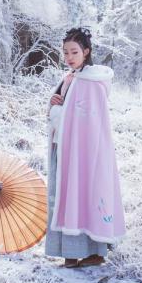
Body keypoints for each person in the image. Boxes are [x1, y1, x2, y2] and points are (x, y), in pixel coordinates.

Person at [45, 27, 126, 268]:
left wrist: (61, 111)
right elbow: (62, 112)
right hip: (66, 149)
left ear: (86, 52)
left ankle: (94, 251)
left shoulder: (91, 82)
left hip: (85, 153)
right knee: (67, 195)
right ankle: (69, 252)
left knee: (85, 194)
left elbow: (90, 121)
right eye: (65, 52)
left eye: (74, 52)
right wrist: (52, 104)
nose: (69, 57)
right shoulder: (70, 78)